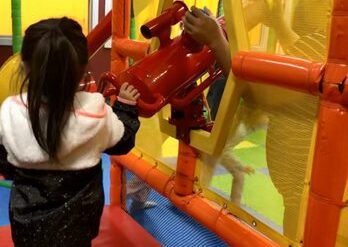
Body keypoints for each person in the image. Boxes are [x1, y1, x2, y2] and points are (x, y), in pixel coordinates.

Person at [0, 17, 140, 247]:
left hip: (27, 230)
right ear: (84, 69)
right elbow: (123, 141)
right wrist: (125, 106)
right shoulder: (96, 113)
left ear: (23, 66)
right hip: (78, 229)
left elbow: (4, 162)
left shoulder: (11, 112)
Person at [183, 3, 268, 205]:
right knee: (209, 167)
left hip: (220, 135)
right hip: (216, 134)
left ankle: (227, 207)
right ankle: (201, 200)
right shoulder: (221, 77)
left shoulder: (241, 121)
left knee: (225, 170)